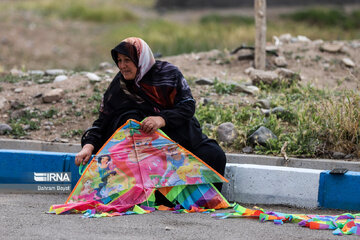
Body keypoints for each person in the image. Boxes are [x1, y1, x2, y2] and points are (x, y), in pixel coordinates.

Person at [75, 37, 226, 191]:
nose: (122, 66)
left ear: (140, 59)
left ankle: (199, 199)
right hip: (143, 151)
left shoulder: (169, 74)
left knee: (213, 154)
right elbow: (103, 121)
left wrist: (161, 119)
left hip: (175, 138)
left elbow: (187, 106)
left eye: (127, 60)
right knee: (130, 118)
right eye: (119, 60)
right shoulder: (119, 86)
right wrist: (88, 147)